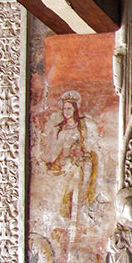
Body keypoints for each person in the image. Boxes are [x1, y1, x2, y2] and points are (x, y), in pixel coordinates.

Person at [46, 90, 99, 220]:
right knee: (64, 191)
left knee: (79, 191)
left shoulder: (84, 126)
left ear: (75, 109)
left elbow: (92, 145)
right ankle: (65, 219)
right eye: (64, 108)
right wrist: (57, 164)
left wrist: (82, 154)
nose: (66, 111)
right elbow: (59, 151)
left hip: (81, 164)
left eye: (69, 108)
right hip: (66, 165)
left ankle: (80, 217)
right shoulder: (61, 130)